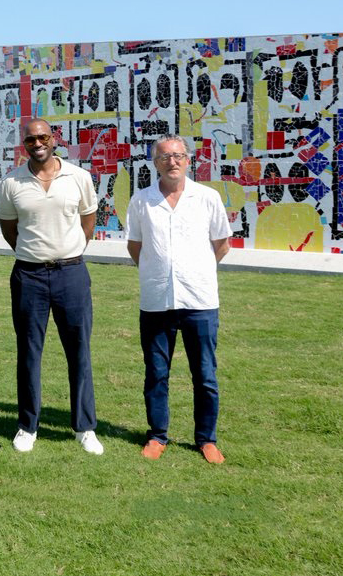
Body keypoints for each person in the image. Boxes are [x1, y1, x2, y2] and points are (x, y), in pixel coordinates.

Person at [0, 119, 103, 455]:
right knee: (29, 352)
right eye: (31, 139)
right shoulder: (12, 181)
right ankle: (27, 426)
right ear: (24, 144)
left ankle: (84, 427)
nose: (37, 143)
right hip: (29, 276)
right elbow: (9, 228)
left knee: (79, 351)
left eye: (43, 137)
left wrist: (68, 250)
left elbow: (88, 221)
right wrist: (35, 253)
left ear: (53, 139)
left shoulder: (78, 177)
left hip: (71, 273)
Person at [124, 134, 231, 464]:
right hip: (157, 300)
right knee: (156, 373)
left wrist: (194, 270)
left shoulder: (207, 198)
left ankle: (206, 439)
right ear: (154, 163)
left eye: (178, 156)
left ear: (188, 160)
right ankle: (157, 435)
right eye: (164, 157)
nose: (172, 161)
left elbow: (221, 243)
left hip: (200, 300)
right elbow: (135, 247)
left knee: (205, 376)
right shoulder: (141, 200)